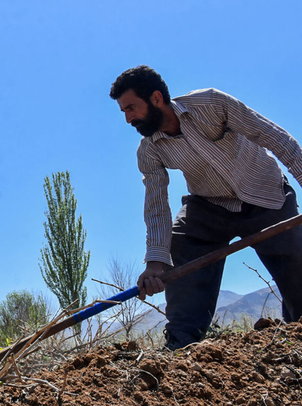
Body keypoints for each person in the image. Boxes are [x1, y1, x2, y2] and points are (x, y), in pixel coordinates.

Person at [109, 65, 302, 350]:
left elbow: (274, 137)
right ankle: (182, 343)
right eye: (124, 111)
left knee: (297, 266)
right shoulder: (149, 151)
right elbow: (156, 208)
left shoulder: (211, 104)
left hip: (267, 196)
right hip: (209, 206)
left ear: (156, 98)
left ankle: (297, 334)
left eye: (131, 108)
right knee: (182, 247)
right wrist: (155, 264)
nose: (128, 119)